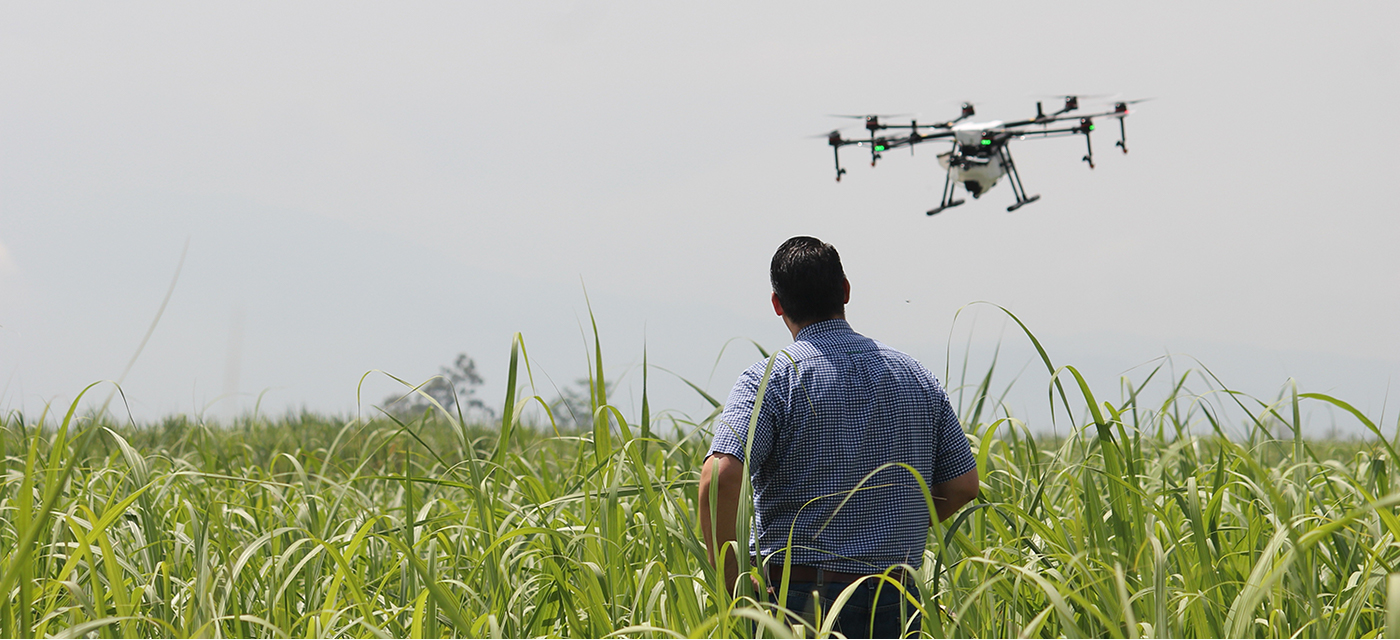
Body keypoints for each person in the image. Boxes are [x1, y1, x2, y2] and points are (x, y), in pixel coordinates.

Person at [698, 236, 979, 638]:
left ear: (778, 305)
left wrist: (733, 581)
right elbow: (964, 485)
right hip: (896, 595)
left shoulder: (772, 380)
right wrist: (892, 521)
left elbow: (719, 478)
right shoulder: (918, 377)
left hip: (798, 598)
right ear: (845, 291)